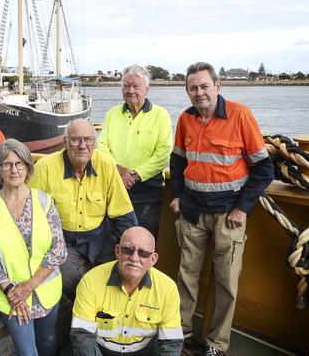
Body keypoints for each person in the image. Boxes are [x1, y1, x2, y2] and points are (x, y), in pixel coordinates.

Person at [169, 62, 274, 356]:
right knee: (186, 276)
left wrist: (243, 208)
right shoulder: (185, 119)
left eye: (204, 86)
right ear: (187, 91)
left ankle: (218, 344)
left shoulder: (240, 115)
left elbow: (265, 169)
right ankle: (183, 336)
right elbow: (177, 162)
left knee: (226, 282)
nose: (199, 92)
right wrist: (177, 195)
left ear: (218, 86)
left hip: (229, 216)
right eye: (193, 88)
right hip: (191, 212)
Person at [29, 118, 137, 300]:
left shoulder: (106, 164)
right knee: (70, 280)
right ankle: (87, 316)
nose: (82, 145)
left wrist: (132, 249)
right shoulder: (45, 168)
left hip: (100, 238)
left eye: (88, 139)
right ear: (65, 142)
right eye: (75, 139)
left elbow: (122, 213)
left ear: (94, 143)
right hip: (63, 241)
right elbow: (30, 214)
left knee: (127, 272)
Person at [0, 139, 67, 356]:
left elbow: (58, 250)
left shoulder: (44, 201)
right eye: (7, 164)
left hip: (45, 291)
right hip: (11, 297)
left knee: (48, 343)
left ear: (28, 168)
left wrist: (29, 286)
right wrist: (12, 291)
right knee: (27, 353)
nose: (14, 169)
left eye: (19, 164)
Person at [70, 226, 183, 356]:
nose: (134, 258)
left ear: (153, 259)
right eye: (128, 250)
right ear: (117, 251)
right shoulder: (91, 280)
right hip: (99, 350)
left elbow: (171, 343)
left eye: (143, 253)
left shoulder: (167, 289)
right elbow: (82, 335)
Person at [98, 64, 173, 241]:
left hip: (148, 192)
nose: (130, 90)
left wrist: (135, 175)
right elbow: (102, 146)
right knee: (113, 241)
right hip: (115, 188)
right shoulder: (112, 114)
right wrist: (118, 170)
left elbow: (163, 153)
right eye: (126, 85)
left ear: (147, 89)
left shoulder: (161, 115)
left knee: (143, 242)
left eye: (136, 86)